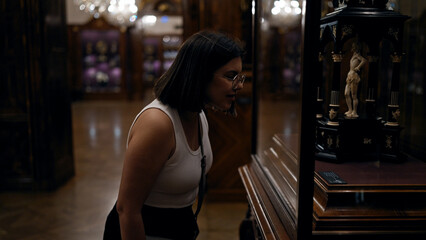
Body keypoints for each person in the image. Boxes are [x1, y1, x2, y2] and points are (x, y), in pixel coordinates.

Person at [103, 30, 245, 240]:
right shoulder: (158, 124)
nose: (240, 85)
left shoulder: (198, 114)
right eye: (230, 76)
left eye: (239, 77)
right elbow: (127, 210)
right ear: (200, 73)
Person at [344, 42, 367, 118]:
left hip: (354, 75)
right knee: (346, 93)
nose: (352, 48)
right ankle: (350, 109)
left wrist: (358, 67)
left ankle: (354, 111)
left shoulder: (357, 55)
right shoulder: (354, 55)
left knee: (354, 95)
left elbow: (364, 60)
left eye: (354, 46)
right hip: (349, 74)